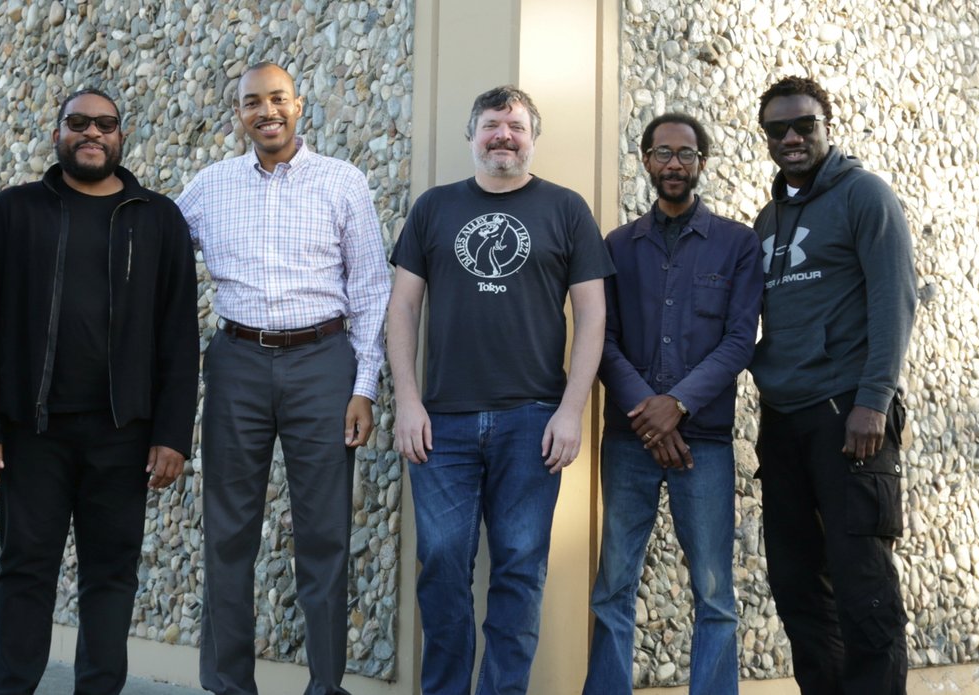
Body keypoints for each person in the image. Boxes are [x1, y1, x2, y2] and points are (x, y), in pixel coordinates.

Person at [0, 88, 199, 694]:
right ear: (58, 131)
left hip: (125, 435)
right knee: (23, 572)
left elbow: (179, 335)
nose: (93, 133)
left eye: (106, 124)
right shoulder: (14, 211)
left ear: (121, 136)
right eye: (78, 122)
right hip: (30, 434)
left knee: (111, 577)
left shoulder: (158, 217)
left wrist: (172, 434)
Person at [386, 85, 614, 695]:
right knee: (441, 569)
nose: (503, 137)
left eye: (515, 127)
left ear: (532, 138)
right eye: (492, 126)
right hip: (444, 424)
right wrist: (407, 401)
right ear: (472, 136)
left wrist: (572, 411)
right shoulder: (434, 208)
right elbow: (402, 309)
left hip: (533, 421)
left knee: (519, 570)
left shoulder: (566, 209)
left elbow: (593, 317)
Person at [176, 62, 389, 695]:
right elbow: (155, 247)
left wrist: (364, 387)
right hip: (237, 363)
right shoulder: (210, 186)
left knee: (324, 532)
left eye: (276, 99)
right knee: (228, 529)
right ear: (237, 113)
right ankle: (227, 684)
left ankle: (326, 685)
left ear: (298, 105)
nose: (265, 111)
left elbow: (372, 289)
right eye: (251, 102)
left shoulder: (342, 182)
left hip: (323, 363)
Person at [582, 113, 761, 694]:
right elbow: (600, 339)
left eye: (685, 154)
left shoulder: (737, 244)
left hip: (703, 442)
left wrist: (677, 405)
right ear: (645, 161)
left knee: (713, 589)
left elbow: (740, 339)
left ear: (701, 163)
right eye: (663, 153)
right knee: (613, 584)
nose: (674, 164)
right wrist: (649, 412)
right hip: (630, 439)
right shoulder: (616, 246)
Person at [750, 76, 917, 694]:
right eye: (778, 129)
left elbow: (894, 300)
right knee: (796, 582)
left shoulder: (865, 196)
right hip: (783, 420)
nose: (792, 137)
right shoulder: (768, 219)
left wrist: (874, 400)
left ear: (827, 125)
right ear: (766, 138)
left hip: (849, 415)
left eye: (804, 125)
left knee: (862, 581)